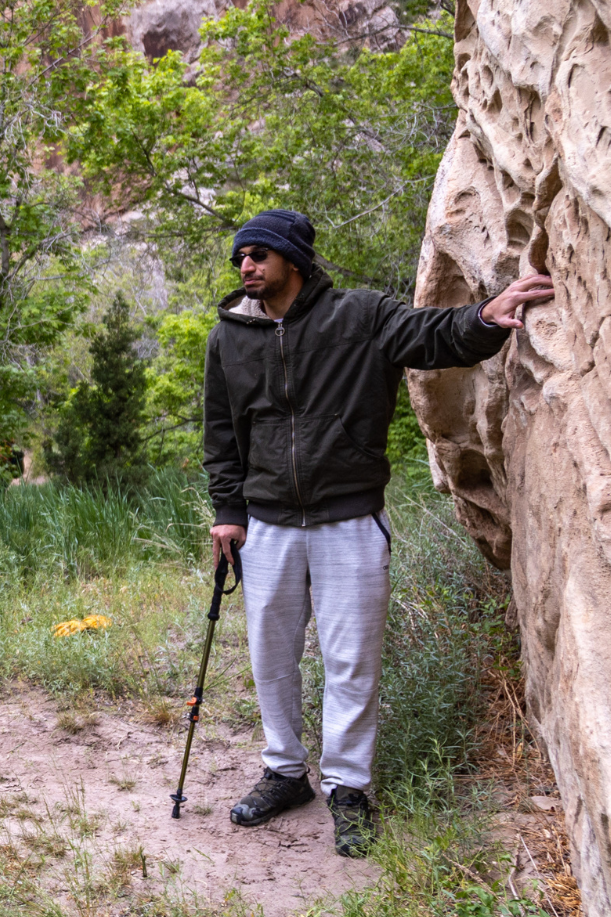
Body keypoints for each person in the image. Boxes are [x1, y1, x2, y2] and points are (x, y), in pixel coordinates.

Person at [203, 208, 555, 857]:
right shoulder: (229, 338)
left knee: (350, 660)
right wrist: (228, 510)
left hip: (349, 516)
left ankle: (348, 788)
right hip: (269, 524)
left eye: (257, 254)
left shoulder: (360, 316)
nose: (245, 266)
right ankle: (284, 772)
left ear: (294, 261)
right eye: (240, 258)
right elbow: (222, 435)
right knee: (270, 657)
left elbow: (435, 336)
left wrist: (486, 316)